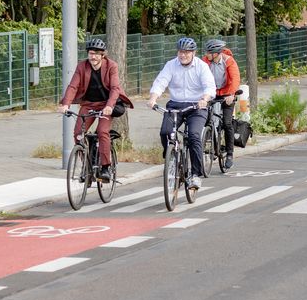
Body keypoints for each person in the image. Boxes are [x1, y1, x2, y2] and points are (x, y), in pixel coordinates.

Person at [58, 39, 133, 182]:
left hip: (106, 105)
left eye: (97, 54)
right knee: (78, 133)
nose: (93, 57)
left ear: (103, 55)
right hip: (89, 104)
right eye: (91, 53)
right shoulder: (82, 66)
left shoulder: (111, 66)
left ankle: (105, 167)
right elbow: (73, 86)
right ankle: (86, 166)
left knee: (102, 131)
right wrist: (66, 104)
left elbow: (115, 88)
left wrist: (110, 106)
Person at [148, 37, 217, 190]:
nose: (183, 55)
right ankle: (171, 159)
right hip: (175, 104)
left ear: (193, 53)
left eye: (186, 52)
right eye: (180, 52)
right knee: (165, 132)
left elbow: (209, 86)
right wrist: (153, 98)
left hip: (196, 106)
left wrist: (205, 99)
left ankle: (196, 175)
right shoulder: (171, 65)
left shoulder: (201, 66)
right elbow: (161, 81)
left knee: (193, 136)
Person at [202, 39, 240, 170]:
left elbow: (235, 78)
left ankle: (229, 154)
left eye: (209, 52)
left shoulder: (228, 61)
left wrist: (231, 94)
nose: (206, 54)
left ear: (216, 53)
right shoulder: (205, 61)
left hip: (227, 93)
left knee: (227, 123)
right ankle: (211, 144)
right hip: (211, 93)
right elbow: (198, 76)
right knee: (207, 120)